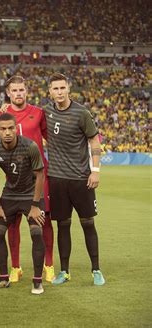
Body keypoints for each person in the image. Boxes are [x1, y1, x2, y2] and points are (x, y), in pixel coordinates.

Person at [44, 73, 105, 286]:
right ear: (49, 91)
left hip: (81, 179)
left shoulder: (81, 113)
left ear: (68, 88)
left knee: (88, 223)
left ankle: (96, 270)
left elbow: (94, 142)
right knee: (63, 225)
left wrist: (95, 170)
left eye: (62, 88)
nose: (59, 92)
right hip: (57, 180)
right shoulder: (46, 112)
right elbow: (26, 116)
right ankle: (65, 271)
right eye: (55, 89)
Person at [1, 75, 55, 283]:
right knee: (12, 224)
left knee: (45, 221)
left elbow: (53, 138)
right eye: (14, 91)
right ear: (8, 93)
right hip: (14, 179)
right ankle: (15, 267)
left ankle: (48, 265)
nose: (18, 94)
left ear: (26, 91)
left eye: (21, 90)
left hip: (39, 177)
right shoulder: (3, 115)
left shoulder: (38, 113)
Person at [0, 113, 46, 294]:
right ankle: (4, 278)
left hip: (31, 196)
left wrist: (35, 205)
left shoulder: (30, 146)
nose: (7, 132)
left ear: (16, 128)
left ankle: (37, 281)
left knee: (36, 232)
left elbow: (40, 175)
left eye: (11, 128)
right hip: (10, 195)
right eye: (3, 129)